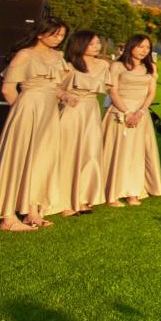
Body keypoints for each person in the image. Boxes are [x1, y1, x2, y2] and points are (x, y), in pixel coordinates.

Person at [0, 17, 70, 230]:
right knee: (18, 158)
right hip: (27, 109)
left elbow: (54, 86)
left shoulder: (58, 57)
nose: (58, 38)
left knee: (42, 158)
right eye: (55, 34)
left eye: (61, 35)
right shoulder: (25, 55)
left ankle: (32, 211)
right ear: (40, 33)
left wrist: (64, 95)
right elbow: (8, 89)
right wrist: (22, 113)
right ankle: (7, 216)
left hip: (49, 112)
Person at [101, 34, 161, 207]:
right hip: (120, 111)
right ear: (131, 46)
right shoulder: (117, 66)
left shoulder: (150, 67)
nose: (144, 51)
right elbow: (113, 92)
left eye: (147, 47)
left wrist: (141, 112)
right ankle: (112, 193)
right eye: (140, 46)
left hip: (141, 114)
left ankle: (133, 191)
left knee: (137, 154)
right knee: (118, 152)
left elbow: (151, 93)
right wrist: (127, 112)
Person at [56, 30, 111, 215]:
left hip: (92, 111)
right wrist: (64, 96)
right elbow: (53, 87)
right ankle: (64, 201)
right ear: (80, 44)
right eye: (92, 43)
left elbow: (110, 88)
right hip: (71, 111)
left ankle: (83, 198)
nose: (97, 46)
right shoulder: (68, 66)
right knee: (68, 154)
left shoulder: (103, 65)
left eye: (98, 43)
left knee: (91, 154)